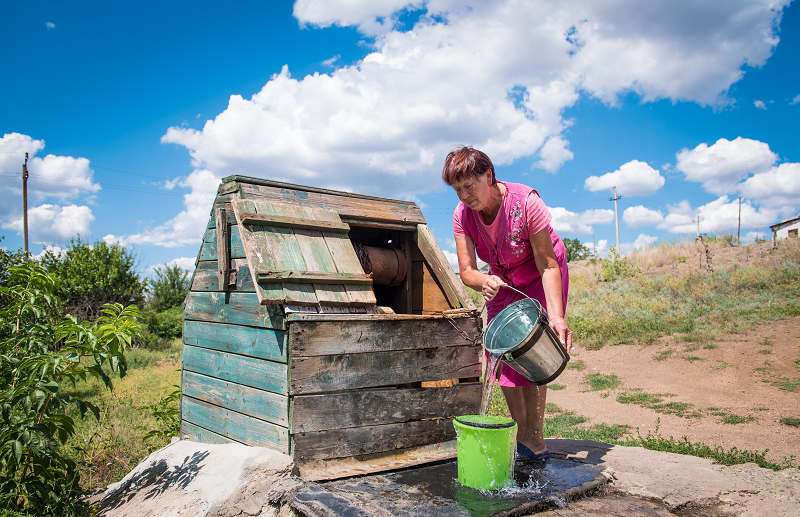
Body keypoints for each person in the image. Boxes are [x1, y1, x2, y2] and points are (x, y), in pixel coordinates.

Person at [443, 145, 572, 463]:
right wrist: (483, 281)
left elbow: (548, 265)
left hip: (539, 274)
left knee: (532, 349)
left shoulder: (527, 202)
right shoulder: (463, 216)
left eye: (469, 185)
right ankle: (521, 430)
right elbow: (467, 272)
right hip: (501, 279)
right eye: (458, 190)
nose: (464, 196)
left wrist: (556, 317)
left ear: (489, 175)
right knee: (499, 353)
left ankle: (534, 439)